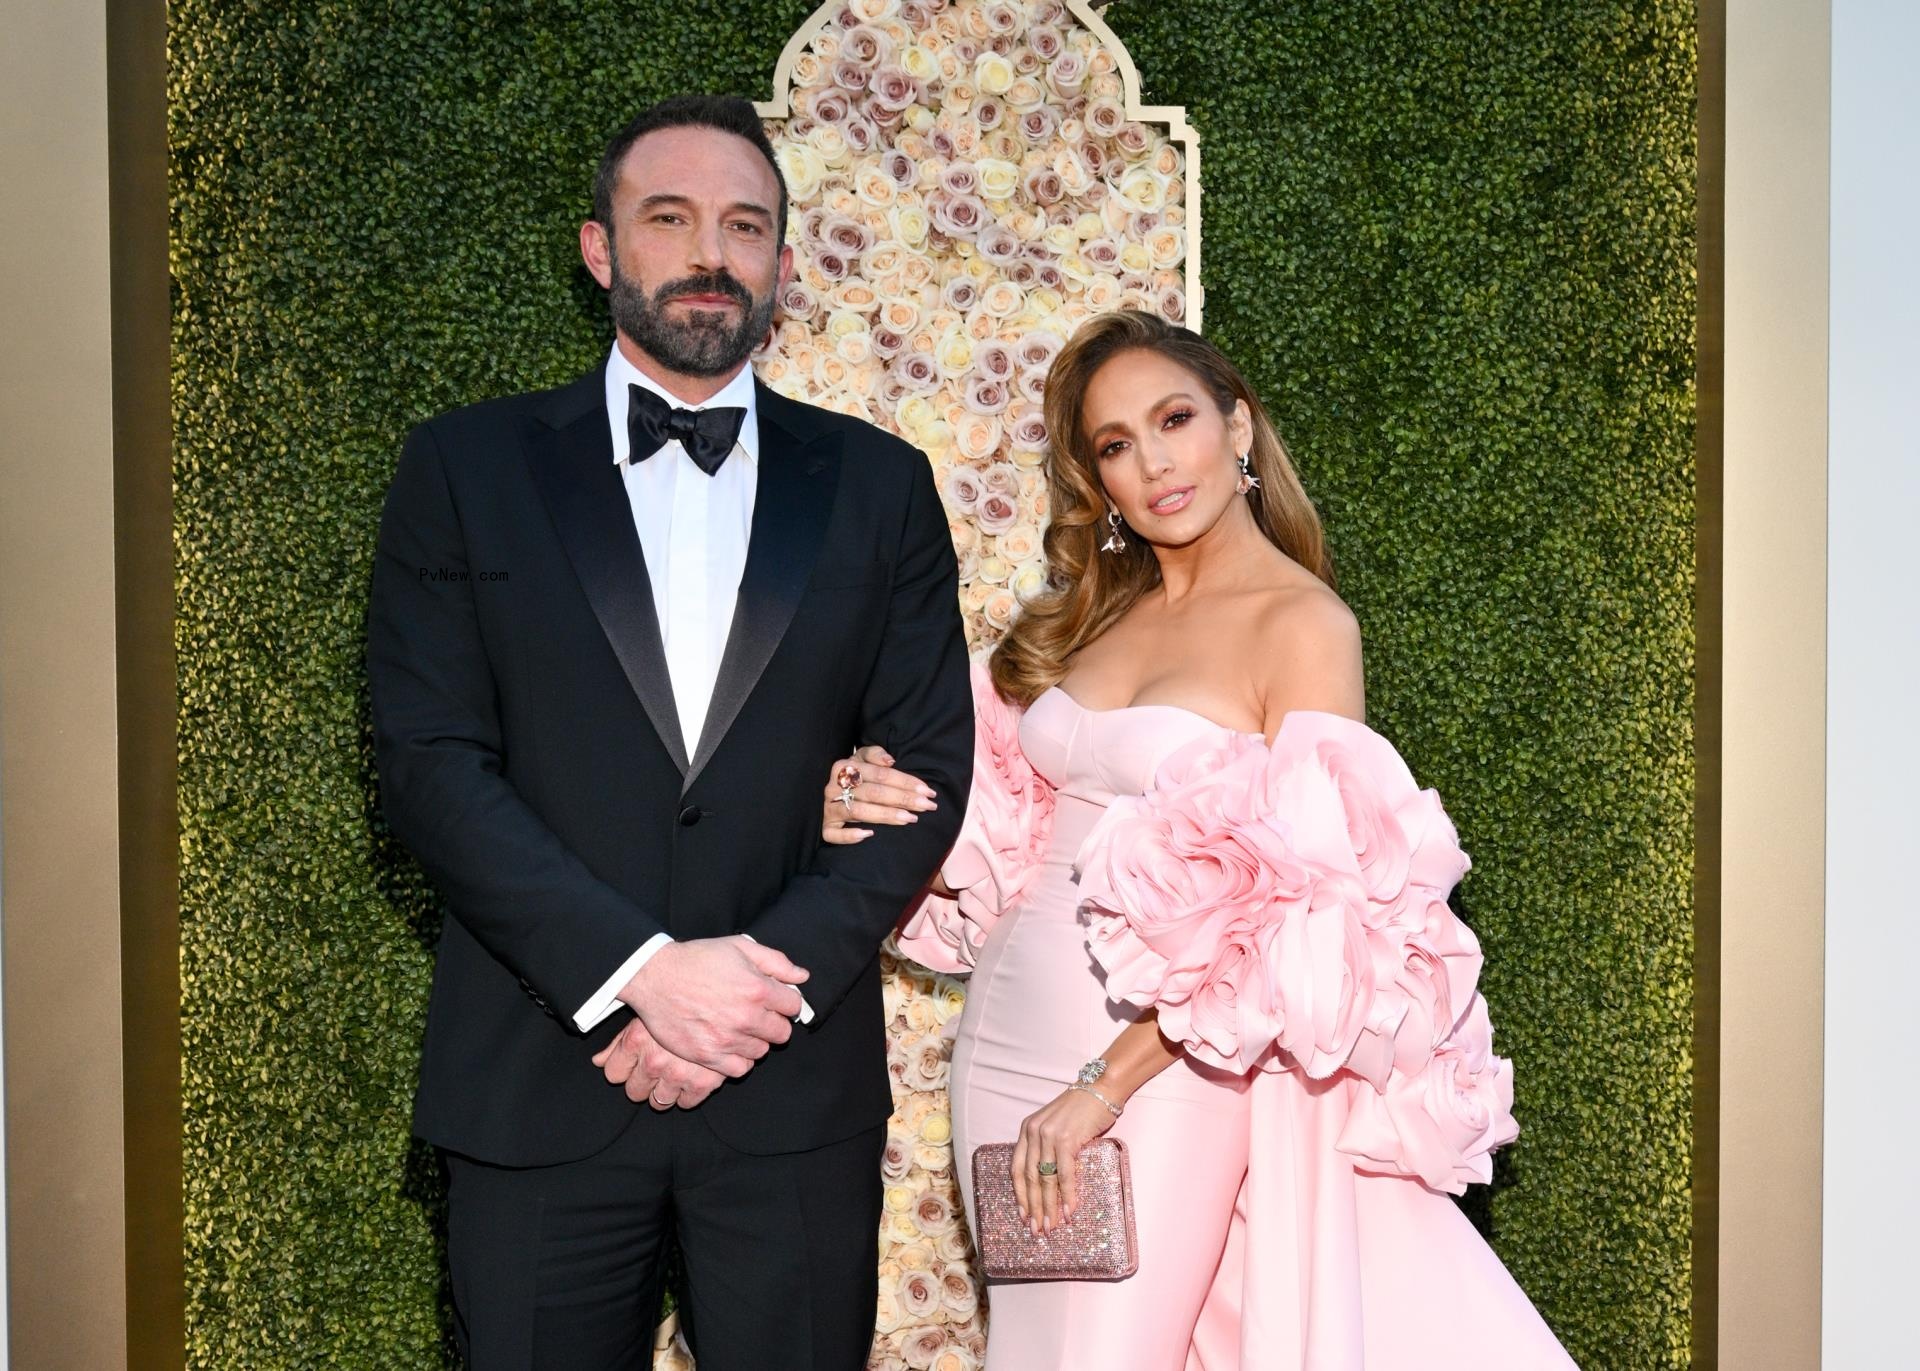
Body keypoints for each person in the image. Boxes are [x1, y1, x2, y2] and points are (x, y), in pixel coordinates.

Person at [824, 310, 1577, 1368]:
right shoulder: (1088, 617)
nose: (1153, 462)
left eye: (1173, 419)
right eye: (1115, 445)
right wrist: (868, 804)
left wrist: (1105, 1082)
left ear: (1238, 424)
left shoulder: (1303, 627)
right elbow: (1000, 836)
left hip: (1162, 1063)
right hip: (1003, 1037)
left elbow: (1312, 915)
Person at [367, 94, 974, 1370]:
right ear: (601, 250)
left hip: (790, 1098)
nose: (712, 252)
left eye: (746, 225)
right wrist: (640, 974)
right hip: (537, 1079)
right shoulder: (463, 471)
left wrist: (747, 995)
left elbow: (928, 770)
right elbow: (430, 766)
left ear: (784, 268)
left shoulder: (879, 486)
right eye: (670, 217)